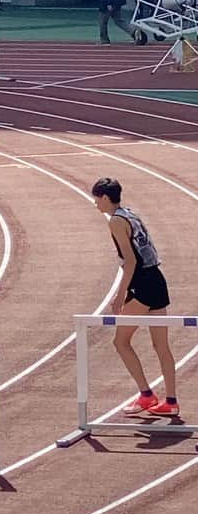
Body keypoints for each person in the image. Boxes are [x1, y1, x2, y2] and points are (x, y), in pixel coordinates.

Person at [91, 177, 178, 418]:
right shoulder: (130, 214)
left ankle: (146, 394)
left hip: (143, 285)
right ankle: (171, 401)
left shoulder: (116, 222)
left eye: (96, 198)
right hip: (157, 280)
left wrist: (120, 296)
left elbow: (130, 261)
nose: (95, 203)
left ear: (105, 197)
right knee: (161, 345)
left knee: (120, 342)